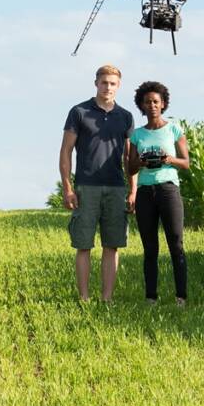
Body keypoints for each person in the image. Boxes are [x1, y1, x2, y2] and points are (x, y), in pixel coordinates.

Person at [59, 65, 136, 302]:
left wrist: (133, 190)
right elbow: (66, 151)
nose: (108, 87)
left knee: (112, 245)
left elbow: (129, 158)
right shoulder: (79, 112)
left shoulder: (125, 116)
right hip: (86, 187)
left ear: (118, 86)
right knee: (84, 245)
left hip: (115, 187)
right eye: (104, 83)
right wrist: (68, 188)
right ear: (96, 84)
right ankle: (84, 297)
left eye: (112, 83)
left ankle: (107, 298)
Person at [126, 81, 190, 306]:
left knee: (176, 243)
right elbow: (130, 168)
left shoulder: (174, 129)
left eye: (155, 101)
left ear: (163, 104)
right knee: (150, 247)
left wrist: (168, 159)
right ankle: (151, 297)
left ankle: (181, 296)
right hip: (145, 193)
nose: (151, 105)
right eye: (147, 102)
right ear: (141, 106)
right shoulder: (137, 135)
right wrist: (141, 162)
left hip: (168, 190)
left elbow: (186, 163)